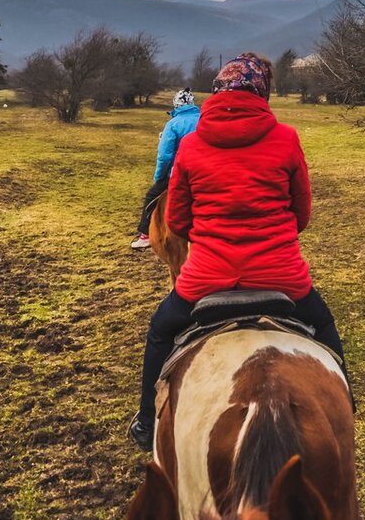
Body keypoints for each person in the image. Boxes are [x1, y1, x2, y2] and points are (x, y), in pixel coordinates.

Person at [128, 53, 348, 451]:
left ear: (216, 91)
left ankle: (146, 422)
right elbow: (302, 215)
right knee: (326, 327)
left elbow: (177, 220)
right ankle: (346, 411)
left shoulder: (192, 145)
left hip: (206, 279)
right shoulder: (286, 138)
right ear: (263, 92)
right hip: (282, 277)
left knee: (161, 330)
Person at [130, 89, 201, 250]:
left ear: (176, 104)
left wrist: (159, 177)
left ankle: (145, 234)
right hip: (204, 173)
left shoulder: (173, 124)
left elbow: (165, 156)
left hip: (179, 173)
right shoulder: (204, 119)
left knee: (151, 196)